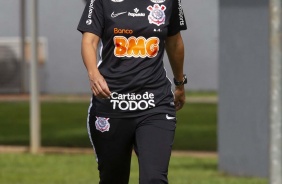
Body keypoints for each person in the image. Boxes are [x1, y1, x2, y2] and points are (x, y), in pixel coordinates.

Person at [77, 0, 187, 183]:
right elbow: (89, 41)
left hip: (155, 104)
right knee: (113, 178)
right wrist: (93, 73)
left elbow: (174, 42)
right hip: (111, 104)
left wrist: (180, 84)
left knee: (154, 179)